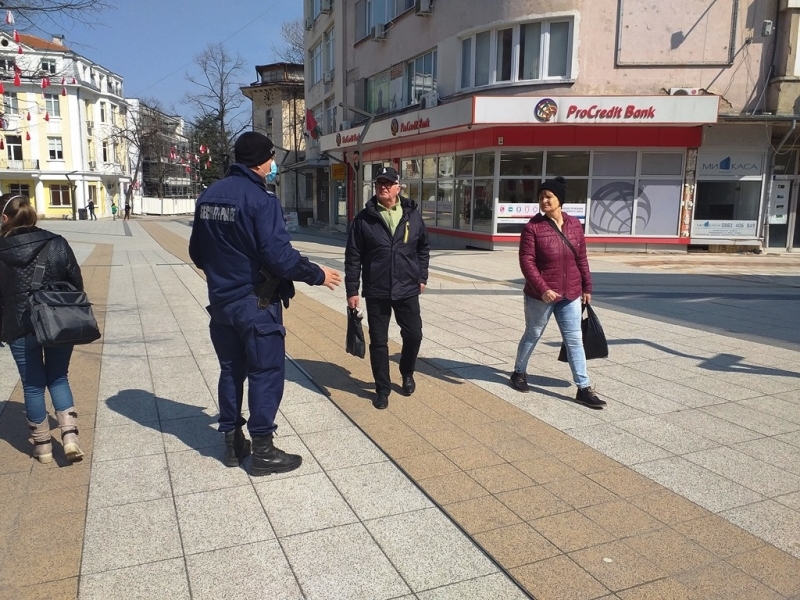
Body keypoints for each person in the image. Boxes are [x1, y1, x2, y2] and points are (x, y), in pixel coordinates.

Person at [189, 131, 341, 476]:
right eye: (271, 158)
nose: (274, 164)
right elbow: (279, 256)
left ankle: (231, 442)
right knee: (265, 373)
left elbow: (196, 252)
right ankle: (263, 450)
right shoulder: (262, 200)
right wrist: (318, 274)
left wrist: (224, 273)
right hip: (256, 303)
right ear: (259, 161)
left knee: (231, 371)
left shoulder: (209, 195)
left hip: (221, 303)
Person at [0, 194, 85, 462]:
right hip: (57, 321)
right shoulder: (56, 243)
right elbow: (76, 283)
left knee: (33, 384)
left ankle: (42, 447)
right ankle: (70, 438)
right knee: (59, 377)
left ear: (4, 219)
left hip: (18, 326)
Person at [509, 176, 605, 409]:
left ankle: (583, 388)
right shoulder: (533, 228)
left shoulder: (574, 226)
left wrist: (587, 287)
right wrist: (543, 288)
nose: (544, 200)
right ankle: (519, 372)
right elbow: (527, 262)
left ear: (560, 200)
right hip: (540, 295)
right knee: (533, 333)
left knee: (574, 339)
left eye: (548, 196)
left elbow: (581, 258)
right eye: (541, 197)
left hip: (570, 293)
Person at [345, 166, 430, 410]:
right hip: (377, 289)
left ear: (398, 187)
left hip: (407, 288)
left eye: (388, 183)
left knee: (414, 334)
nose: (383, 187)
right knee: (379, 341)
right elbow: (353, 257)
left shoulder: (412, 214)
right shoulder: (363, 219)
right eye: (379, 183)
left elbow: (423, 247)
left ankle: (407, 371)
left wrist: (421, 276)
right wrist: (352, 290)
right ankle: (382, 388)